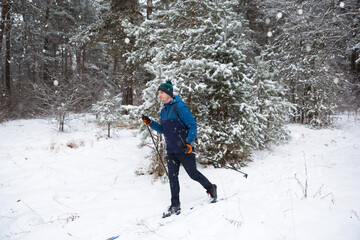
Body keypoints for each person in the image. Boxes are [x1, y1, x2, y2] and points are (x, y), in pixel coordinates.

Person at [142, 80, 217, 217]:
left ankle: (211, 188)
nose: (159, 95)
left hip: (184, 148)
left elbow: (192, 125)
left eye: (161, 92)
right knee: (173, 177)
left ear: (169, 93)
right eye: (158, 93)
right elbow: (163, 130)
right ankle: (175, 205)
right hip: (171, 150)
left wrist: (189, 143)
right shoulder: (164, 110)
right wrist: (150, 123)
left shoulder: (179, 107)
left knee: (193, 174)